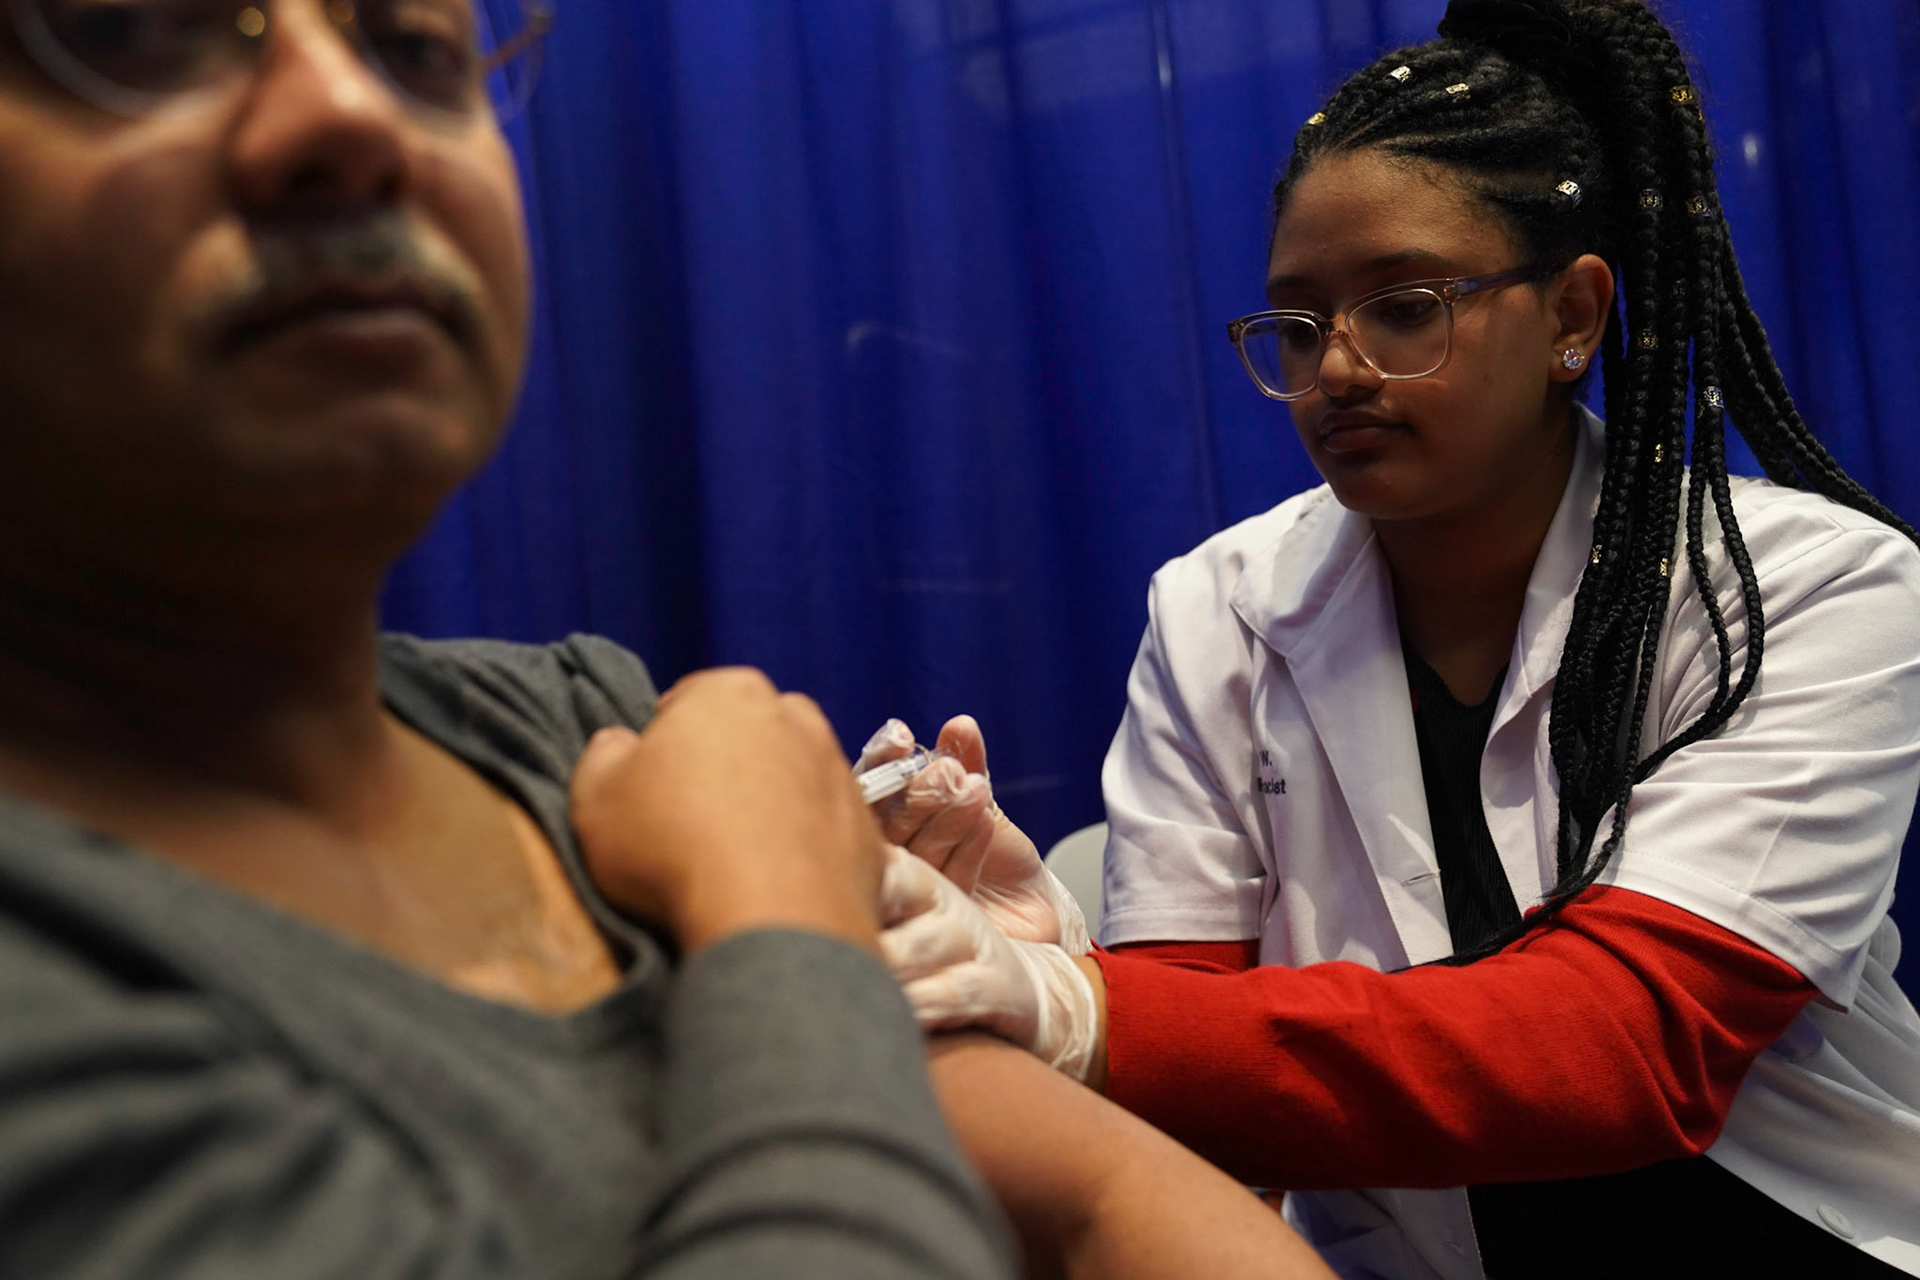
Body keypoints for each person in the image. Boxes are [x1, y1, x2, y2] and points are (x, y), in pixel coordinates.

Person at [0, 2, 1338, 1277]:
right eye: (127, 28)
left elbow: (1108, 1203)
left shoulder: (571, 728)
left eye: (414, 44)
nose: (350, 111)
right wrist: (777, 904)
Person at [866, 1, 1920, 1277]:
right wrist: (1051, 952)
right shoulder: (1218, 609)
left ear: (1575, 317)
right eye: (1300, 325)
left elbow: (1625, 1041)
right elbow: (1190, 1093)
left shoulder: (1811, 589)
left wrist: (1089, 1010)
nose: (1339, 369)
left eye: (1405, 307)